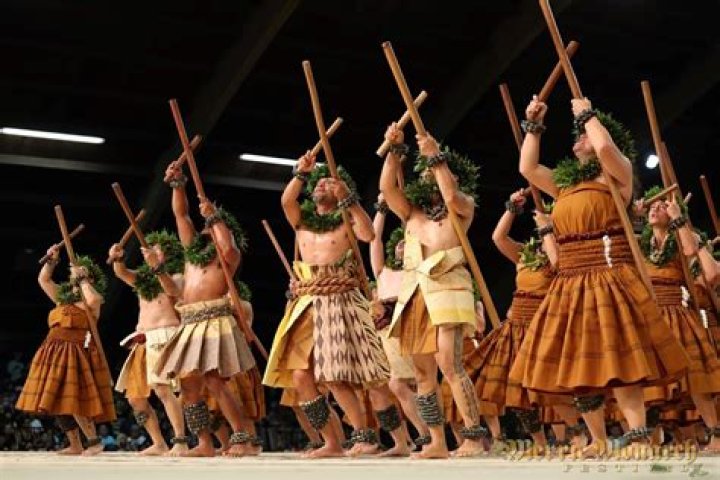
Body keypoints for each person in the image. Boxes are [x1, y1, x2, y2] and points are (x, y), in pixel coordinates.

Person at [509, 95, 689, 456]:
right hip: (570, 281)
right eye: (578, 133)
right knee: (578, 359)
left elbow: (605, 148)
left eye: (584, 134)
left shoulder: (617, 177)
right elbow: (527, 167)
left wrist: (588, 115)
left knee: (619, 357)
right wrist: (534, 125)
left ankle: (638, 435)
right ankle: (598, 439)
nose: (579, 136)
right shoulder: (564, 186)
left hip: (608, 276)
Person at [263, 156, 392, 458]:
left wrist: (349, 199)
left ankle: (364, 436)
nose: (322, 184)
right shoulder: (302, 220)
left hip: (337, 300)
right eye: (318, 183)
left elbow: (368, 235)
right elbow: (286, 201)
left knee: (334, 376)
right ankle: (331, 441)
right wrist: (300, 173)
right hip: (307, 302)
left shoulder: (346, 219)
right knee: (300, 377)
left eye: (328, 182)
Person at [380, 123, 486, 458]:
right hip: (416, 292)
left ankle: (473, 437)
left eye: (434, 172)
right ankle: (437, 442)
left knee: (449, 364)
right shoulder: (411, 212)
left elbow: (451, 196)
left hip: (448, 287)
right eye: (425, 171)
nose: (427, 175)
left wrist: (436, 158)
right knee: (423, 372)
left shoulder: (462, 207)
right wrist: (394, 151)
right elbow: (387, 187)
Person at [153, 161, 258, 457]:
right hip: (189, 321)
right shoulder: (192, 254)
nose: (204, 229)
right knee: (188, 385)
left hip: (214, 319)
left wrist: (215, 217)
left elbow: (229, 248)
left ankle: (241, 439)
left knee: (214, 380)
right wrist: (178, 185)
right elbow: (181, 214)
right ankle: (204, 442)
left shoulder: (227, 258)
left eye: (210, 227)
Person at [638, 187, 720, 451]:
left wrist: (678, 219)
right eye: (651, 206)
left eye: (661, 206)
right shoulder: (642, 245)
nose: (654, 208)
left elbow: (705, 268)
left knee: (695, 378)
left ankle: (716, 434)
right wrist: (633, 215)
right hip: (651, 316)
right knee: (648, 381)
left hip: (678, 313)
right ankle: (648, 440)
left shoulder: (682, 237)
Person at [16, 248, 116, 455]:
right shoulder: (63, 298)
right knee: (55, 398)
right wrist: (51, 261)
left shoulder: (92, 299)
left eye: (77, 272)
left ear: (89, 277)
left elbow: (93, 301)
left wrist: (83, 280)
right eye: (73, 272)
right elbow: (44, 280)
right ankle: (75, 444)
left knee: (73, 398)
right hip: (52, 351)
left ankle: (94, 442)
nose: (72, 275)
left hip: (75, 352)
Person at [108, 230, 188, 455]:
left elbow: (172, 290)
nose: (150, 253)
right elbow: (122, 273)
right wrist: (118, 257)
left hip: (166, 335)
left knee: (162, 389)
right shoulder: (143, 280)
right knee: (135, 398)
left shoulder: (178, 276)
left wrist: (157, 267)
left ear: (168, 255)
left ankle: (180, 441)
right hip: (143, 340)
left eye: (157, 250)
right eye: (149, 250)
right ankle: (159, 443)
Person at [369, 194, 431, 448]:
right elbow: (374, 240)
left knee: (405, 384)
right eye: (399, 244)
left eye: (407, 244)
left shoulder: (416, 272)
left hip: (406, 327)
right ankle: (411, 439)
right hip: (383, 333)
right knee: (390, 387)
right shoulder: (384, 272)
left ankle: (427, 434)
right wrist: (382, 210)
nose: (401, 247)